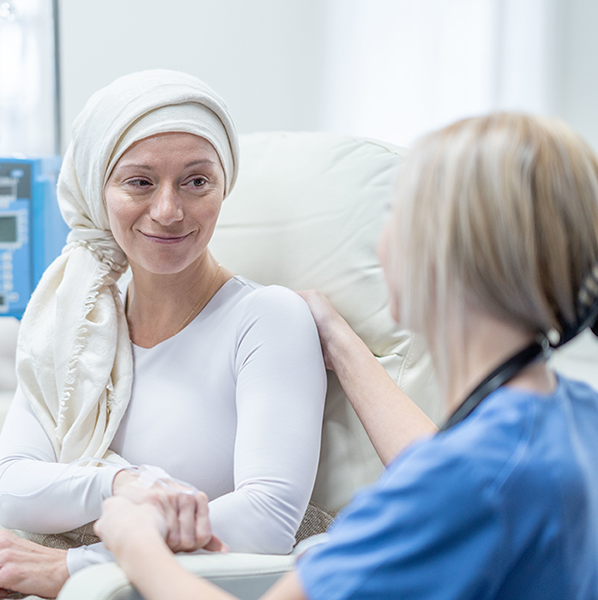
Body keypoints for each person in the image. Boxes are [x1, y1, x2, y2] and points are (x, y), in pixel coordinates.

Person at [0, 70, 326, 600]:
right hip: (34, 541)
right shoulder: (76, 327)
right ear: (99, 192)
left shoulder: (266, 318)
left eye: (196, 181)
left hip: (115, 571)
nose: (168, 210)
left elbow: (268, 517)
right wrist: (125, 484)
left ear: (223, 185)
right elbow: (14, 490)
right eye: (139, 182)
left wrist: (75, 565)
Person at [92, 112, 598, 600]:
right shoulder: (573, 415)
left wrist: (134, 540)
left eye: (395, 214)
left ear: (441, 253)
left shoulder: (463, 483)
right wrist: (341, 343)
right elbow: (445, 466)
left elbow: (450, 484)